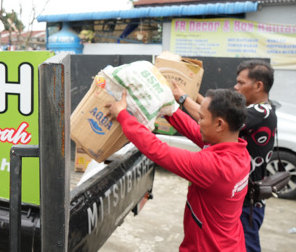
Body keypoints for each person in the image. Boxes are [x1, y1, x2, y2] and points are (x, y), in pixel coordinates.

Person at [106, 88, 250, 251]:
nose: (198, 122)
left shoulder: (215, 167)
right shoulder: (239, 152)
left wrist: (122, 115)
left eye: (201, 118)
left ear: (219, 124)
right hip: (231, 244)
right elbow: (195, 130)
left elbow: (158, 150)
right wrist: (167, 108)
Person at [171, 59, 276, 252]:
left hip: (244, 204)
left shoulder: (259, 112)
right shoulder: (262, 111)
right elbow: (215, 111)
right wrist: (193, 97)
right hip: (239, 202)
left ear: (259, 85)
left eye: (241, 83)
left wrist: (182, 99)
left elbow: (214, 117)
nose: (236, 87)